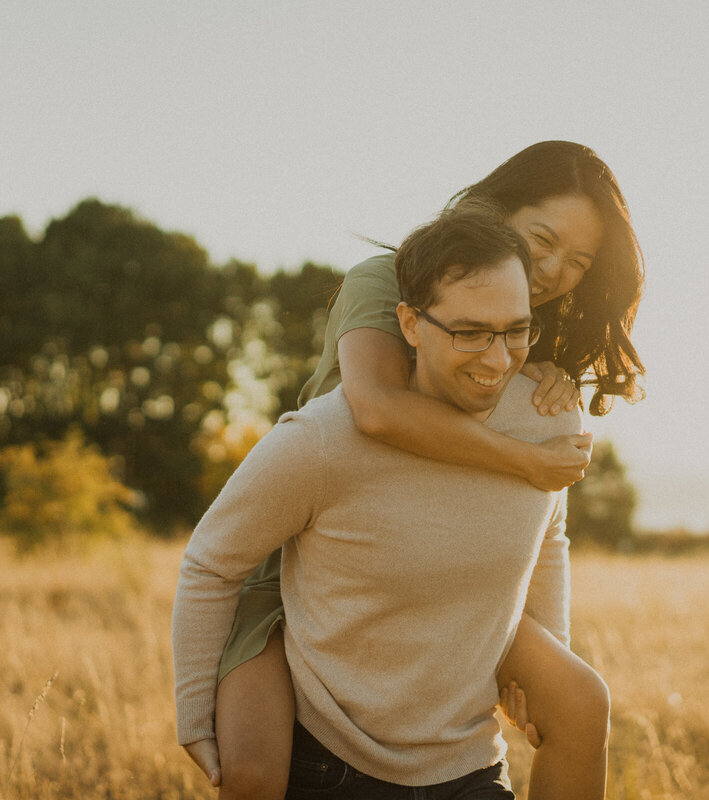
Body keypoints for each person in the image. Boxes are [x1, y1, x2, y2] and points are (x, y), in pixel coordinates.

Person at [185, 141, 645, 798]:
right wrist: (528, 460)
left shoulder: (530, 342)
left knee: (578, 699)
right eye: (541, 240)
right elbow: (378, 408)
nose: (551, 271)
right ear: (495, 211)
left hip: (449, 577)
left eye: (577, 262)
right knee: (255, 774)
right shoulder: (385, 279)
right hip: (323, 554)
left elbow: (543, 529)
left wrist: (541, 655)